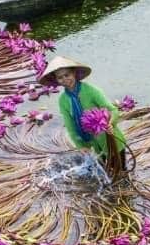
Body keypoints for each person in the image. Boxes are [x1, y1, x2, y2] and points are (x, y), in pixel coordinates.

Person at [41, 55, 128, 183]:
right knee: (108, 172)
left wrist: (110, 123)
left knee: (122, 171)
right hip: (94, 142)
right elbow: (69, 125)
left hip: (111, 138)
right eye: (60, 77)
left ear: (74, 73)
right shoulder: (63, 100)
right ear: (57, 80)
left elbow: (113, 110)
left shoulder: (92, 91)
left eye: (67, 75)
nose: (65, 79)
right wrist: (80, 145)